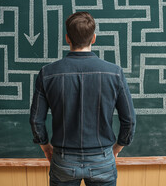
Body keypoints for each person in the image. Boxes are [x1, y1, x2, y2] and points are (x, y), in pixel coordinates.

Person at [29, 12, 136, 186]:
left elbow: (35, 120)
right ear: (93, 38)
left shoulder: (47, 73)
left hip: (63, 159)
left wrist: (45, 146)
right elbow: (129, 120)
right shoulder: (114, 73)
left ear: (67, 38)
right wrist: (117, 148)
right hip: (102, 158)